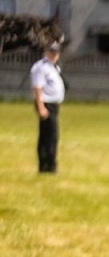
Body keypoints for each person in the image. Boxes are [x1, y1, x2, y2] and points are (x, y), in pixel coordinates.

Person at [31, 40, 65, 175]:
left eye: (57, 52)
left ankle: (47, 164)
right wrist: (41, 107)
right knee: (50, 136)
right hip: (46, 104)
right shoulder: (41, 67)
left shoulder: (54, 67)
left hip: (54, 105)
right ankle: (48, 165)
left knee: (50, 135)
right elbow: (37, 88)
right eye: (52, 52)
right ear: (46, 52)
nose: (55, 55)